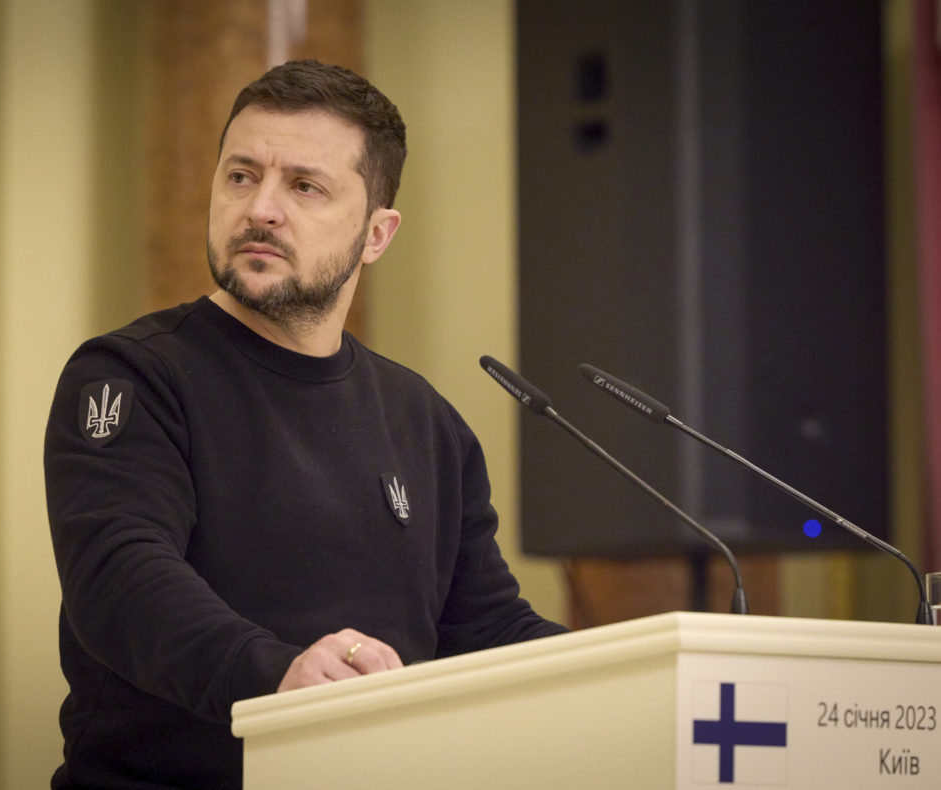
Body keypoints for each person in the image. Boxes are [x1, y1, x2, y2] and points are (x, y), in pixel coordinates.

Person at [44, 59, 568, 789]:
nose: (261, 208)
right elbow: (121, 580)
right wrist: (276, 677)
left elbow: (484, 629)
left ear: (377, 234)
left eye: (304, 186)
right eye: (241, 176)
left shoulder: (426, 422)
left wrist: (637, 671)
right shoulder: (132, 376)